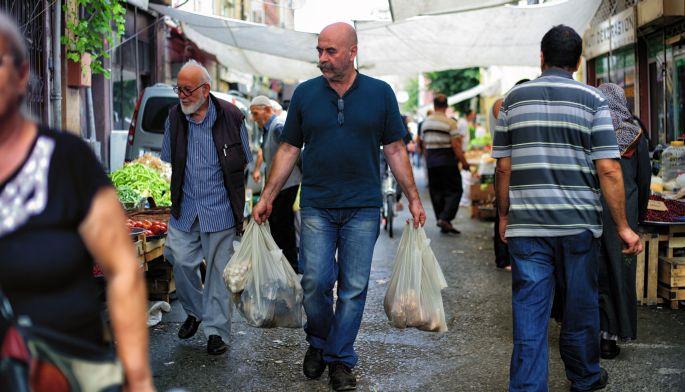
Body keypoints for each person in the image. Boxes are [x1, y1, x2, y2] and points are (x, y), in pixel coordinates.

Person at [252, 22, 426, 391]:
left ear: (352, 52)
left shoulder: (380, 93)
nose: (322, 59)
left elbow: (394, 148)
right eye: (319, 51)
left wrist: (412, 197)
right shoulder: (305, 94)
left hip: (362, 206)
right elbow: (288, 148)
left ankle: (340, 359)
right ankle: (319, 340)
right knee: (316, 282)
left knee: (354, 287)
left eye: (330, 51)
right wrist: (267, 196)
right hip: (316, 204)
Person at [0, 12, 153, 390]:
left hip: (67, 372)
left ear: (21, 76)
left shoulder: (67, 161)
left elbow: (121, 269)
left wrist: (137, 376)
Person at [492, 25, 643, 391]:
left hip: (528, 227)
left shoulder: (512, 101)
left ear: (541, 57)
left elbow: (503, 166)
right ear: (578, 61)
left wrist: (503, 215)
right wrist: (623, 226)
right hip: (577, 225)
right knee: (580, 306)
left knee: (530, 310)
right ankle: (585, 376)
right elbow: (608, 168)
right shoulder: (594, 102)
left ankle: (528, 387)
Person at [161, 59, 252, 355]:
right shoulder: (174, 118)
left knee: (217, 273)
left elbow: (244, 163)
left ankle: (217, 332)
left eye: (187, 89)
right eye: (179, 89)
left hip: (220, 209)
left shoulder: (232, 117)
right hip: (186, 207)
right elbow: (168, 158)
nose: (182, 95)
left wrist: (245, 206)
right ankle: (196, 312)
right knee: (179, 258)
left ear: (205, 89)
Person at [596, 83, 651, 359]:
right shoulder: (636, 135)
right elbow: (643, 181)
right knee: (621, 274)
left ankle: (591, 333)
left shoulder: (592, 131)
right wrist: (637, 217)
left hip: (593, 211)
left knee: (596, 272)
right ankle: (613, 336)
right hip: (623, 214)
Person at [250, 95, 302, 272]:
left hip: (287, 184)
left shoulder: (277, 127)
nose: (253, 118)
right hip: (280, 185)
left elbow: (294, 151)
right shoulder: (267, 129)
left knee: (283, 225)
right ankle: (282, 265)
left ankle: (290, 266)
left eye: (255, 113)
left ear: (267, 110)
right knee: (279, 224)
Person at [491, 79, 530, 271]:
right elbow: (504, 165)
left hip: (515, 168)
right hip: (508, 168)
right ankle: (503, 258)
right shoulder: (504, 106)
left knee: (511, 212)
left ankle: (511, 256)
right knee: (503, 212)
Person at [418, 94, 470, 234]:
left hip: (431, 162)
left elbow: (422, 144)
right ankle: (445, 218)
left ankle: (442, 219)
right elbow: (456, 146)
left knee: (436, 191)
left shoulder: (425, 123)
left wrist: (426, 160)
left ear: (434, 106)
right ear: (446, 106)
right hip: (447, 161)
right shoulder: (450, 123)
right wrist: (464, 162)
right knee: (455, 189)